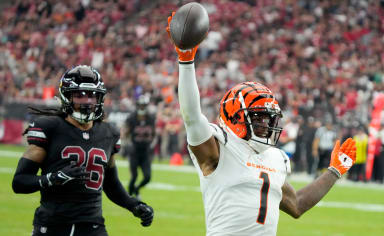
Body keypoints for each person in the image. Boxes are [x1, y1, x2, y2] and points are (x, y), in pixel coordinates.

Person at [166, 14, 356, 236]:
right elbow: (191, 115)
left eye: (269, 118)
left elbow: (297, 204)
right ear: (235, 117)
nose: (267, 125)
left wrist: (334, 171)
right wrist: (186, 61)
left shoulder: (275, 158)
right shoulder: (219, 149)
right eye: (259, 118)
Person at [11, 65, 154, 236]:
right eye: (79, 95)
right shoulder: (50, 127)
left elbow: (111, 184)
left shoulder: (109, 133)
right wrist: (52, 178)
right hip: (53, 225)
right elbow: (19, 182)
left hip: (92, 226)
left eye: (92, 95)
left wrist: (134, 205)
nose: (87, 101)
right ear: (66, 97)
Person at [123, 95, 156, 198]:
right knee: (134, 177)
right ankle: (129, 196)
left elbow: (154, 134)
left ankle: (136, 190)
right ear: (138, 106)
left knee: (147, 177)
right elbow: (125, 133)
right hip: (135, 152)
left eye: (144, 105)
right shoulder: (132, 118)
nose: (142, 107)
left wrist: (152, 144)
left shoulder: (150, 118)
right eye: (141, 105)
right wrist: (127, 145)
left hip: (145, 152)